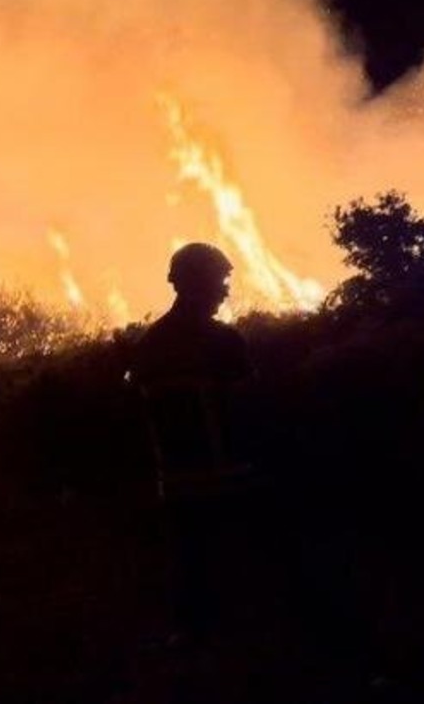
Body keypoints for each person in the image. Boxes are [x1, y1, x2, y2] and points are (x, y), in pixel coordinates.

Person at [129, 243, 252, 644]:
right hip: (229, 480)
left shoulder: (149, 345)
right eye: (220, 281)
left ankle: (192, 640)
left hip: (176, 484)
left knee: (189, 567)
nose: (224, 290)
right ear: (197, 283)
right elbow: (249, 409)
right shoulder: (224, 342)